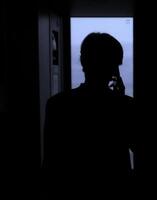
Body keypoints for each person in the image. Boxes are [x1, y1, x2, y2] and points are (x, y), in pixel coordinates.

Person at [43, 33, 136, 177]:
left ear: (82, 61)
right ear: (114, 69)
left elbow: (50, 161)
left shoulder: (57, 104)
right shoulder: (126, 105)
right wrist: (121, 101)